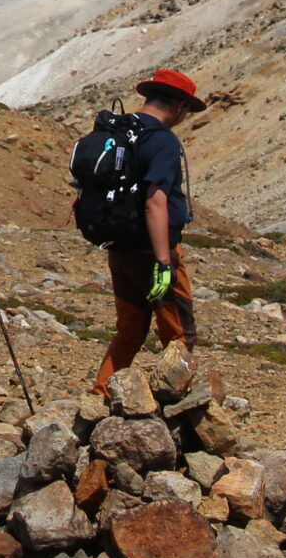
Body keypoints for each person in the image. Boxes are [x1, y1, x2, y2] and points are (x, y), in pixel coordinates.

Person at [77, 68, 204, 396]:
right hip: (151, 251)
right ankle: (175, 402)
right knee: (180, 333)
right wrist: (164, 260)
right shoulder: (161, 139)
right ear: (179, 106)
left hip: (119, 247)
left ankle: (102, 394)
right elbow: (155, 201)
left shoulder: (119, 130)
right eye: (187, 110)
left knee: (130, 331)